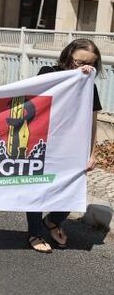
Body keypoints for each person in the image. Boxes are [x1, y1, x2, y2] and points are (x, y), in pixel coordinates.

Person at [26, 39, 102, 253]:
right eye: (79, 62)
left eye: (91, 64)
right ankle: (35, 232)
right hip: (42, 141)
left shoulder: (90, 86)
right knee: (37, 188)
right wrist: (74, 76)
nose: (85, 67)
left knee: (73, 187)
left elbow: (92, 121)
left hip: (71, 146)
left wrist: (93, 153)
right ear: (68, 57)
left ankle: (52, 221)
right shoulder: (48, 72)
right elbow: (36, 97)